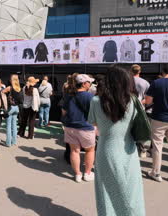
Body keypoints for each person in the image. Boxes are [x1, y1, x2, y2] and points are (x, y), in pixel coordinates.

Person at [88, 67, 145, 216]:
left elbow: (93, 124)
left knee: (106, 192)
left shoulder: (95, 101)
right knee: (131, 192)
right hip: (129, 149)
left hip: (105, 149)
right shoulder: (133, 101)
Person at [62, 73, 95, 183]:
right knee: (89, 150)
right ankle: (87, 173)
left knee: (74, 151)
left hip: (70, 126)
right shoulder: (90, 97)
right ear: (84, 84)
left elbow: (64, 111)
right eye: (89, 82)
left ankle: (77, 174)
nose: (90, 84)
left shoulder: (69, 95)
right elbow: (95, 114)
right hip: (85, 126)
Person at [131, 64, 150, 158]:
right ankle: (142, 149)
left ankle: (130, 148)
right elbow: (149, 97)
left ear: (131, 71)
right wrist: (142, 102)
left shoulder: (126, 81)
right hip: (140, 108)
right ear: (140, 71)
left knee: (129, 128)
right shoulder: (145, 82)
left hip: (128, 107)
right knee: (140, 128)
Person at [2, 74, 23, 147]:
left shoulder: (9, 88)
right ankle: (14, 141)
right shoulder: (19, 88)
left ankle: (8, 143)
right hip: (16, 108)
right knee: (14, 125)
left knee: (8, 126)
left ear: (12, 80)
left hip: (10, 107)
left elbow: (1, 93)